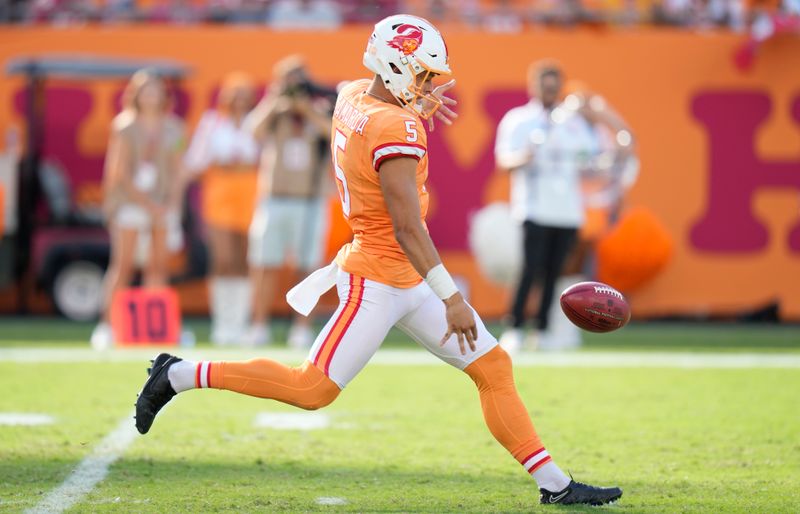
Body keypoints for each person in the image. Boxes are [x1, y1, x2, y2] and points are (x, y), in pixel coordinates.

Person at [135, 15, 622, 506]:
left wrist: (410, 99)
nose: (429, 84)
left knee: (493, 367)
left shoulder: (353, 97)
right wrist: (452, 298)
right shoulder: (396, 126)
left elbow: (348, 91)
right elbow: (408, 228)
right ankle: (177, 374)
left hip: (404, 274)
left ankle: (554, 484)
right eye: (424, 74)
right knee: (312, 389)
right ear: (394, 65)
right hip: (378, 279)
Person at [495, 61, 599, 353]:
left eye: (555, 87)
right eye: (545, 86)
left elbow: (590, 159)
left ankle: (542, 329)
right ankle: (515, 326)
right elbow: (504, 160)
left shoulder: (573, 122)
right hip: (534, 206)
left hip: (567, 209)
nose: (550, 92)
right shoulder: (519, 119)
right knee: (530, 269)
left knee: (555, 273)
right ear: (534, 86)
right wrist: (525, 157)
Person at [91, 69, 185, 348]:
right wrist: (148, 204)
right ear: (136, 94)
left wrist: (170, 205)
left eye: (155, 89)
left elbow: (179, 169)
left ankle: (156, 328)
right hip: (130, 204)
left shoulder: (175, 128)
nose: (151, 95)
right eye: (145, 90)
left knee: (158, 266)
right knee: (123, 265)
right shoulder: (124, 126)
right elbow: (118, 173)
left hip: (162, 205)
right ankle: (106, 326)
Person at [244, 56, 333, 348]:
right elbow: (252, 131)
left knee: (307, 265)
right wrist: (275, 101)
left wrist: (305, 109)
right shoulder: (275, 111)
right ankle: (259, 325)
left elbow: (331, 133)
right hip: (275, 198)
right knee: (264, 263)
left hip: (309, 200)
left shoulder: (317, 109)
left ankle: (302, 328)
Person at [182, 72, 260, 346]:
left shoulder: (257, 123)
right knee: (223, 259)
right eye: (234, 93)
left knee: (243, 260)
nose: (239, 100)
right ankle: (222, 323)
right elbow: (195, 161)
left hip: (250, 193)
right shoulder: (212, 123)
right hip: (220, 193)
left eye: (244, 94)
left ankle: (239, 324)